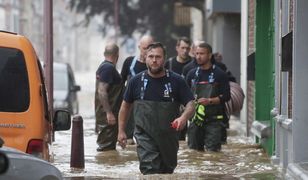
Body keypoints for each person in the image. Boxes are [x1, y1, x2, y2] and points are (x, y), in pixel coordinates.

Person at [117, 42, 195, 174]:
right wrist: (121, 131)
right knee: (150, 169)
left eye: (158, 57)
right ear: (145, 57)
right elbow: (125, 107)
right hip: (144, 136)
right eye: (151, 56)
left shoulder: (177, 81)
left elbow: (191, 104)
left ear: (164, 58)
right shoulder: (135, 81)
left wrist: (183, 117)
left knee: (167, 170)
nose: (154, 60)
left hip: (169, 137)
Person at [186, 43, 231, 152]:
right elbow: (185, 96)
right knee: (194, 153)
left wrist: (209, 101)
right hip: (196, 121)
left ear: (209, 55)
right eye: (196, 54)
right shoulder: (191, 74)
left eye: (201, 54)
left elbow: (226, 96)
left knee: (213, 154)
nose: (198, 57)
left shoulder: (220, 74)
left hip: (214, 121)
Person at [120, 35, 154, 142]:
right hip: (130, 107)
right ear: (139, 47)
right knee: (129, 143)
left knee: (148, 140)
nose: (147, 51)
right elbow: (121, 84)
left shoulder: (156, 65)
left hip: (149, 108)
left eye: (150, 48)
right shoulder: (129, 62)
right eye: (145, 48)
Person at [95, 43, 125, 151]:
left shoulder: (104, 67)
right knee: (106, 149)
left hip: (105, 116)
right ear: (117, 55)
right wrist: (109, 113)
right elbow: (101, 91)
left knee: (107, 149)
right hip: (107, 117)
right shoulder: (108, 68)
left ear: (104, 54)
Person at [164, 37, 192, 141]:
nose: (185, 51)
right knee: (174, 134)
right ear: (177, 48)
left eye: (187, 48)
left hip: (190, 102)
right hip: (172, 103)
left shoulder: (193, 65)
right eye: (183, 48)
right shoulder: (169, 63)